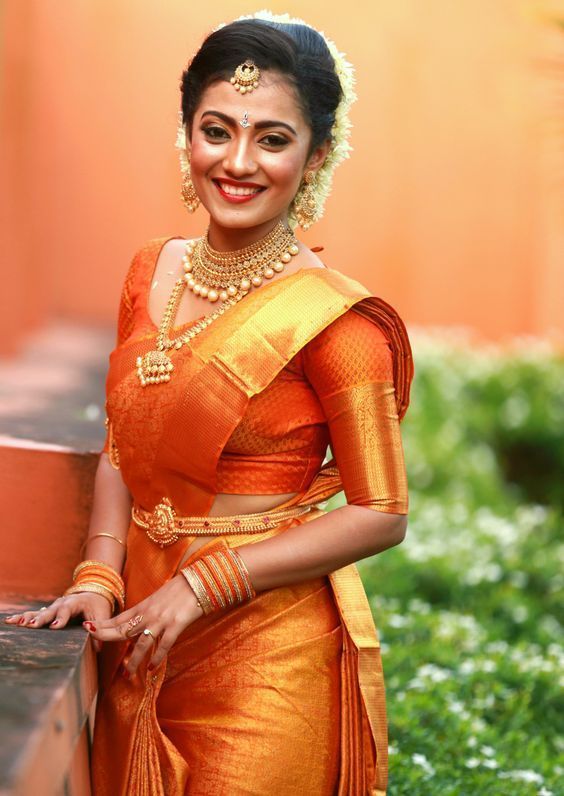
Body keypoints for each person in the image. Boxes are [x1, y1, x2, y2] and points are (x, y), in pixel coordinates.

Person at [4, 12, 414, 795]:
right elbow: (127, 440)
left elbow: (382, 512)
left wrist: (205, 583)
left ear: (317, 155)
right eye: (215, 130)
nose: (236, 162)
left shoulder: (338, 324)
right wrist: (98, 570)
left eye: (271, 139)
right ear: (186, 134)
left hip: (265, 652)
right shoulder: (148, 272)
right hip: (140, 632)